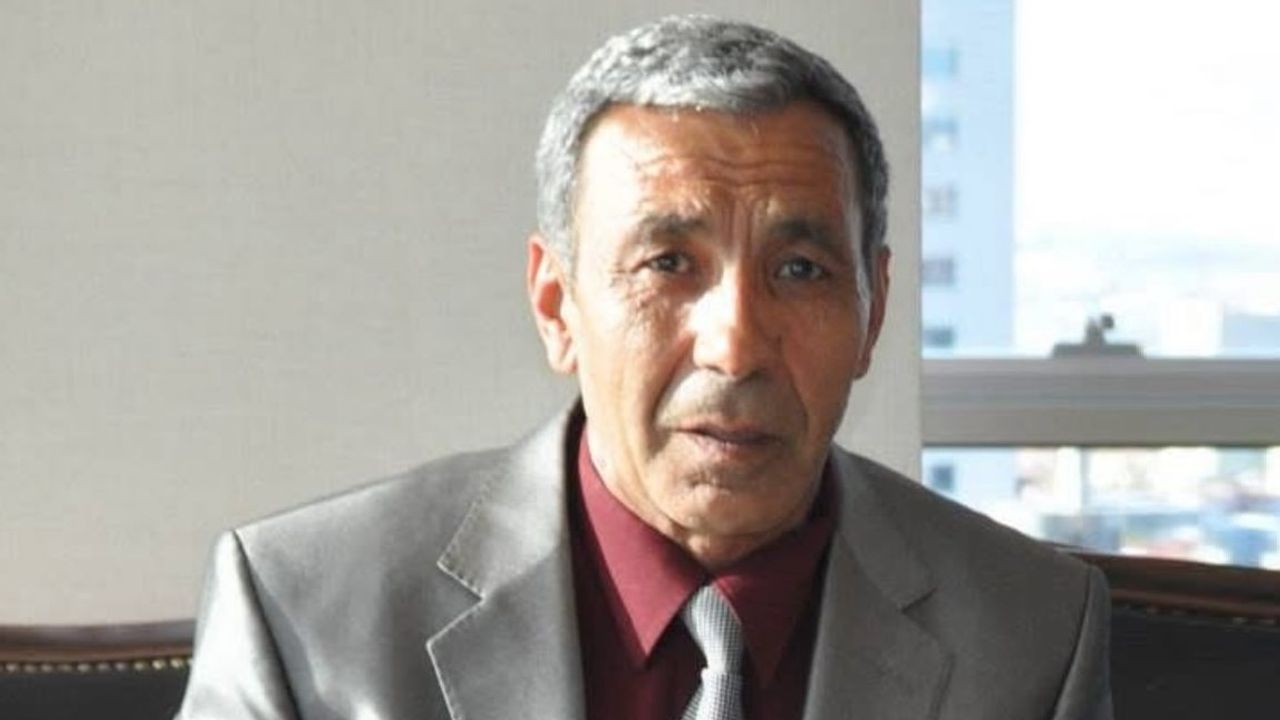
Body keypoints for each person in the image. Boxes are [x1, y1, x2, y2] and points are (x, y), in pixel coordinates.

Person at [175, 15, 1112, 720]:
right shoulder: (304, 610)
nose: (735, 344)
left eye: (799, 270)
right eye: (668, 264)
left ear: (874, 311)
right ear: (557, 306)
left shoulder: (1032, 632)